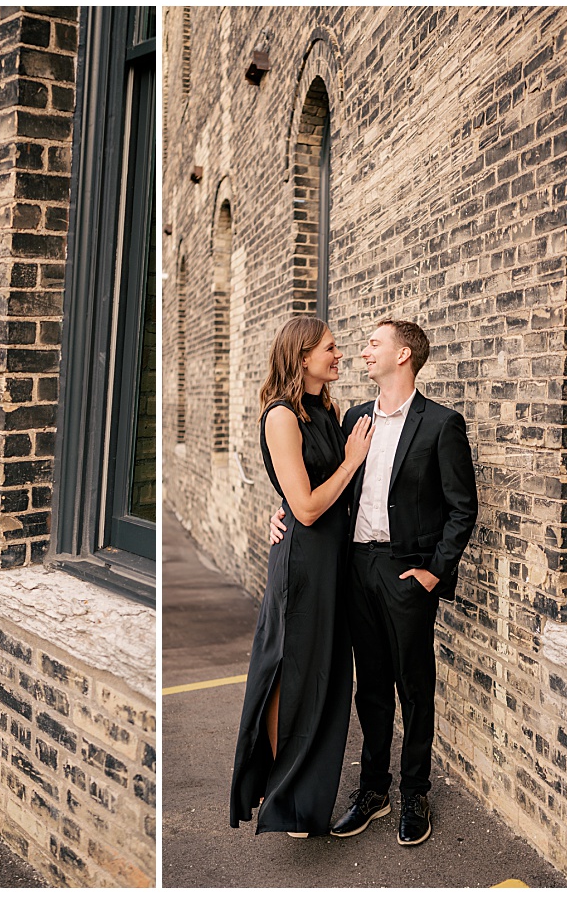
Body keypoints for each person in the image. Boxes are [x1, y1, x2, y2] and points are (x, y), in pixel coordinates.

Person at [271, 318, 477, 846]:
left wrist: (433, 572)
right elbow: (318, 482)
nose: (362, 353)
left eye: (373, 344)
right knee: (372, 688)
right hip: (355, 568)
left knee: (414, 686)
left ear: (403, 355)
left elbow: (462, 509)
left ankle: (415, 793)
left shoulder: (441, 424)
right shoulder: (354, 418)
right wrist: (281, 512)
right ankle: (373, 791)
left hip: (406, 573)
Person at [229, 317, 373, 837]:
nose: (340, 354)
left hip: (332, 559)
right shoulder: (280, 417)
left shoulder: (326, 409)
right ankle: (280, 791)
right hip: (304, 564)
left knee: (325, 678)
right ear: (303, 355)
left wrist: (285, 505)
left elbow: (303, 492)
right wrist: (353, 459)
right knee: (291, 676)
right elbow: (308, 508)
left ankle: (301, 795)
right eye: (331, 348)